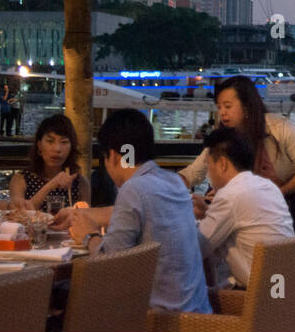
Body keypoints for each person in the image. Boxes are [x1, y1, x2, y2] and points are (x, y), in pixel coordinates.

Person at [63, 108, 211, 314]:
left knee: (69, 302)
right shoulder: (173, 181)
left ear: (113, 156)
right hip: (197, 313)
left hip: (161, 320)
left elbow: (111, 264)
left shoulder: (134, 188)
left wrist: (89, 235)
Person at [180, 75, 295, 257]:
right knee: (287, 265)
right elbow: (195, 170)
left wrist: (270, 193)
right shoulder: (225, 139)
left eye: (228, 106)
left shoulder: (281, 128)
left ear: (247, 107)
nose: (222, 113)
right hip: (275, 205)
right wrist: (169, 187)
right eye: (219, 108)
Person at [193, 128, 294, 290]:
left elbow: (197, 248)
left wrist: (186, 218)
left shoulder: (230, 195)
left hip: (259, 296)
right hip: (283, 288)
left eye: (208, 164)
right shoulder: (267, 186)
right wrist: (207, 213)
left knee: (176, 306)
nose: (208, 172)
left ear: (222, 164)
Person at [9, 115, 90, 211]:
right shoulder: (21, 179)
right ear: (39, 145)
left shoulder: (80, 183)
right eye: (50, 141)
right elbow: (19, 213)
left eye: (64, 142)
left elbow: (85, 219)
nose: (57, 149)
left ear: (71, 148)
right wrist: (51, 185)